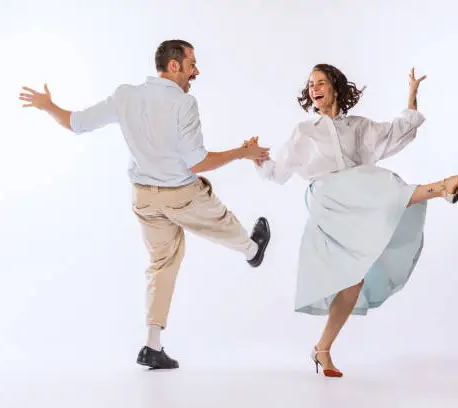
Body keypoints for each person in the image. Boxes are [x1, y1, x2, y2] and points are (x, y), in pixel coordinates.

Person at [19, 39, 272, 370]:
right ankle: (253, 252)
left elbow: (76, 123)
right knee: (220, 220)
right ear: (173, 66)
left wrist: (48, 106)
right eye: (191, 64)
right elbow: (197, 162)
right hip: (181, 194)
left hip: (144, 198)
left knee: (162, 265)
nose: (196, 71)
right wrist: (243, 152)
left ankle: (153, 346)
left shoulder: (126, 95)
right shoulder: (185, 103)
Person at [245, 64, 458, 377]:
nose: (314, 88)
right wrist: (256, 157)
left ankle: (321, 349)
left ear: (335, 88)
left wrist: (412, 93)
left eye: (321, 82)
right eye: (311, 84)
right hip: (329, 201)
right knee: (376, 183)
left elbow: (398, 132)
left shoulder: (357, 127)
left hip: (357, 202)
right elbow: (277, 171)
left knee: (353, 283)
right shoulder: (305, 132)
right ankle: (444, 187)